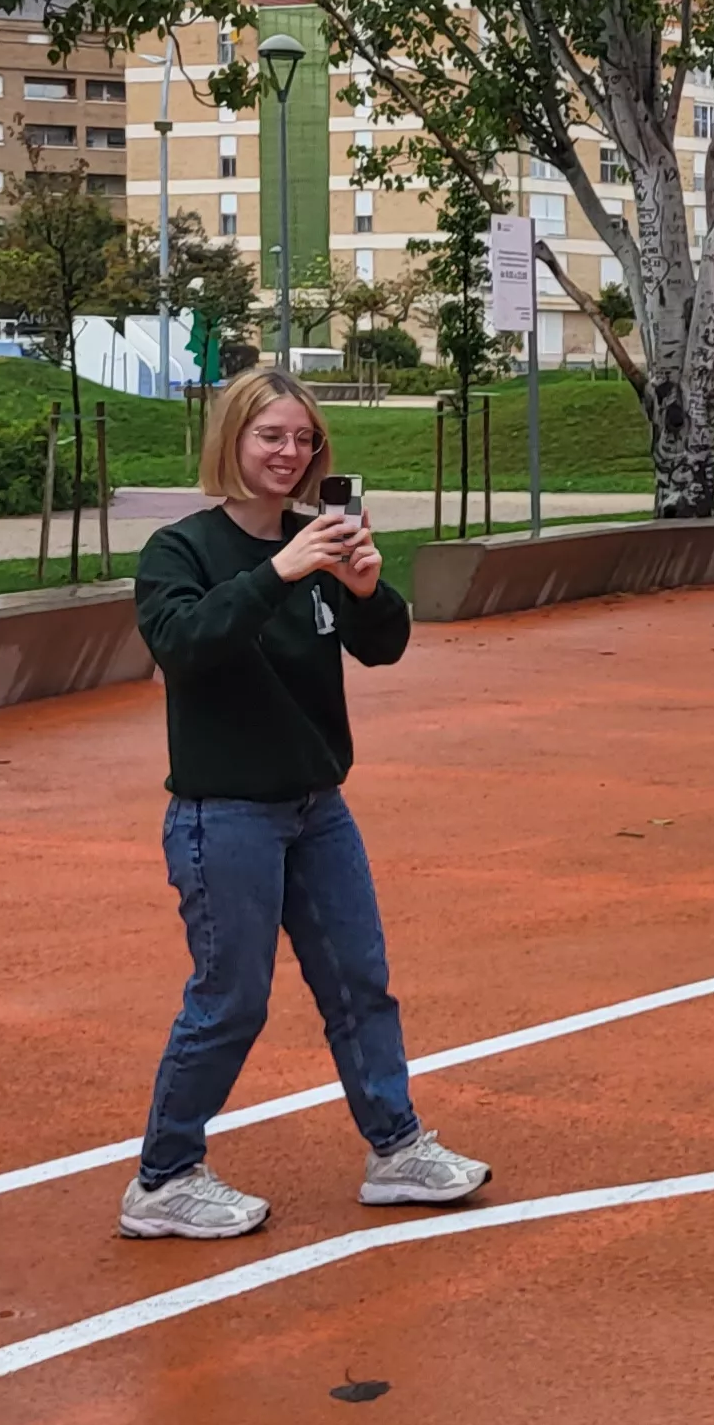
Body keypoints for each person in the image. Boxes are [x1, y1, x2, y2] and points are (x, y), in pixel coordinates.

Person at [117, 366, 487, 1239]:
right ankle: (163, 1178)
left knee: (360, 981)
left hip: (318, 807)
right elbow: (184, 645)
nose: (289, 453)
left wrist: (364, 589)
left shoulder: (318, 543)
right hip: (225, 813)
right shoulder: (181, 551)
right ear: (232, 441)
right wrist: (278, 572)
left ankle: (396, 1148)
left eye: (303, 439)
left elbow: (383, 646)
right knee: (231, 1000)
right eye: (270, 436)